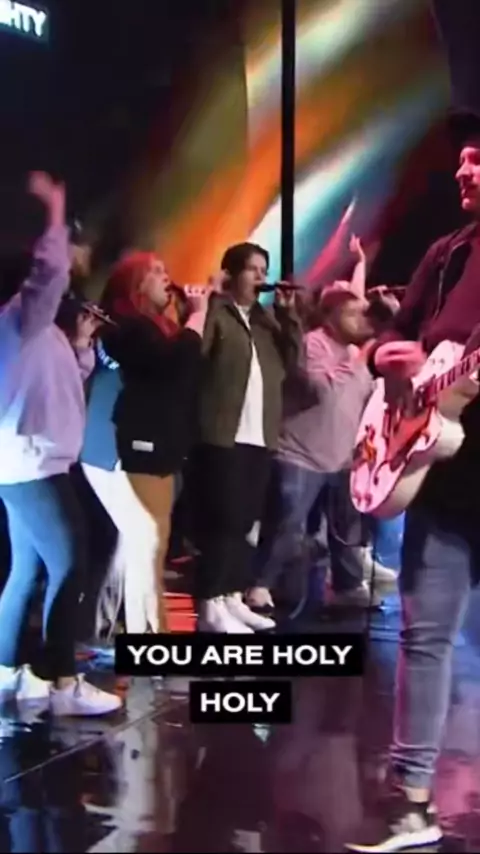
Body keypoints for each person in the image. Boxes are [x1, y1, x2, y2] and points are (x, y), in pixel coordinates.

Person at [347, 114, 480, 851]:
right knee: (424, 638)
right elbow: (389, 337)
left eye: (476, 160)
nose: (462, 171)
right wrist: (389, 362)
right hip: (441, 477)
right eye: (460, 160)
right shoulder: (447, 252)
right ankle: (412, 804)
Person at [0, 172, 121, 715]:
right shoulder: (20, 320)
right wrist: (55, 214)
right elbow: (48, 273)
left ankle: (8, 672)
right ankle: (61, 680)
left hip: (32, 464)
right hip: (32, 466)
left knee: (27, 570)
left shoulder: (36, 331)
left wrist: (82, 345)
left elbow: (63, 384)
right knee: (72, 563)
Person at [82, 254, 206, 635]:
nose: (166, 276)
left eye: (166, 269)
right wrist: (197, 317)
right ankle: (146, 632)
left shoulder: (158, 327)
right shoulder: (126, 328)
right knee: (145, 540)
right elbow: (168, 366)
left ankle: (106, 625)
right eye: (155, 271)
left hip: (154, 446)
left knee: (138, 541)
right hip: (114, 448)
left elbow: (182, 376)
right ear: (135, 283)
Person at [191, 242, 303, 633]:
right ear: (231, 274)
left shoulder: (265, 321)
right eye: (253, 269)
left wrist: (288, 315)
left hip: (260, 435)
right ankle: (209, 603)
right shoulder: (217, 312)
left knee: (245, 523)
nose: (261, 277)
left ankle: (231, 596)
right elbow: (196, 354)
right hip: (223, 434)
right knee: (223, 521)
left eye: (264, 270)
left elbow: (293, 363)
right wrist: (205, 304)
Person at [251, 288, 378, 611]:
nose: (361, 320)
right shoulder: (313, 344)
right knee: (287, 526)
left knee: (345, 530)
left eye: (362, 314)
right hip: (300, 454)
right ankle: (262, 585)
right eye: (352, 313)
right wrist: (355, 360)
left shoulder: (355, 354)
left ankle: (348, 587)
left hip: (342, 458)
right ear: (329, 317)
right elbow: (319, 388)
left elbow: (363, 401)